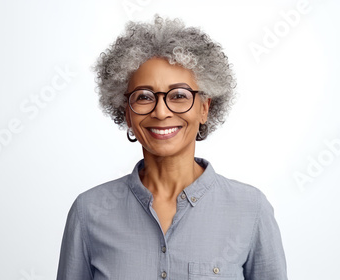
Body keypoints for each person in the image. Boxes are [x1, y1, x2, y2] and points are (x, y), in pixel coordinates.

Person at [57, 15, 287, 280]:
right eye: (143, 97)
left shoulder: (250, 209)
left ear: (204, 108)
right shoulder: (88, 212)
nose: (161, 111)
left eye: (179, 96)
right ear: (127, 113)